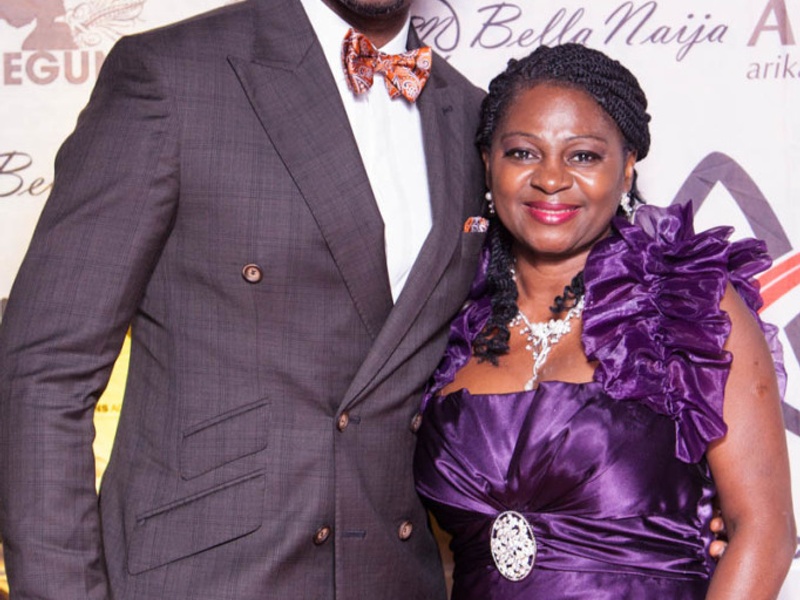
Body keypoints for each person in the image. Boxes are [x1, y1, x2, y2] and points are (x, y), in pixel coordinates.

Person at [0, 0, 487, 598]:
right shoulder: (173, 75)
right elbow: (44, 375)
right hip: (205, 578)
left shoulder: (470, 115)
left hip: (392, 577)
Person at [414, 43, 796, 599]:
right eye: (522, 152)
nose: (550, 178)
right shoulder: (445, 317)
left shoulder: (688, 303)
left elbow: (764, 531)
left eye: (583, 156)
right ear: (488, 163)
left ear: (627, 166)